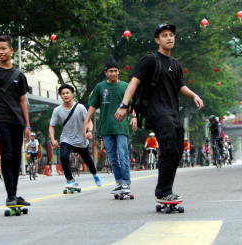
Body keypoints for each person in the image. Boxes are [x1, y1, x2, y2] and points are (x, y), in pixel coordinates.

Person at [114, 24, 204, 202]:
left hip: (172, 112)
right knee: (169, 148)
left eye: (171, 35)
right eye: (165, 35)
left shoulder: (175, 64)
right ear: (157, 40)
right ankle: (162, 192)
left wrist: (194, 95)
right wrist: (124, 105)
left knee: (177, 150)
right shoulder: (150, 60)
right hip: (155, 111)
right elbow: (134, 82)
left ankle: (166, 190)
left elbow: (180, 85)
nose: (169, 38)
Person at [0, 35, 31, 206]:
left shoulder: (19, 75)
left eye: (4, 48)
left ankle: (14, 193)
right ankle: (10, 195)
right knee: (8, 154)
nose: (1, 52)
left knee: (17, 157)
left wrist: (27, 125)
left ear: (11, 50)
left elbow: (23, 101)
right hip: (0, 119)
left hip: (17, 121)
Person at [84, 57, 138, 195]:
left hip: (121, 127)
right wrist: (86, 122)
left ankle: (126, 183)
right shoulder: (100, 87)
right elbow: (92, 106)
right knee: (112, 157)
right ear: (106, 72)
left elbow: (133, 105)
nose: (113, 73)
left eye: (115, 71)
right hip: (106, 127)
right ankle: (119, 183)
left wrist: (134, 117)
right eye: (111, 71)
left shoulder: (125, 86)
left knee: (122, 154)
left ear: (118, 72)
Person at [49, 84, 101, 188]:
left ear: (72, 94)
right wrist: (53, 139)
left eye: (67, 93)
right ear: (60, 96)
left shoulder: (80, 107)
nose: (65, 95)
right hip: (66, 139)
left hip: (81, 140)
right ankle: (70, 180)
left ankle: (95, 174)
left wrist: (89, 131)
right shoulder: (57, 110)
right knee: (63, 157)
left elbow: (89, 121)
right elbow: (51, 126)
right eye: (63, 93)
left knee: (88, 161)